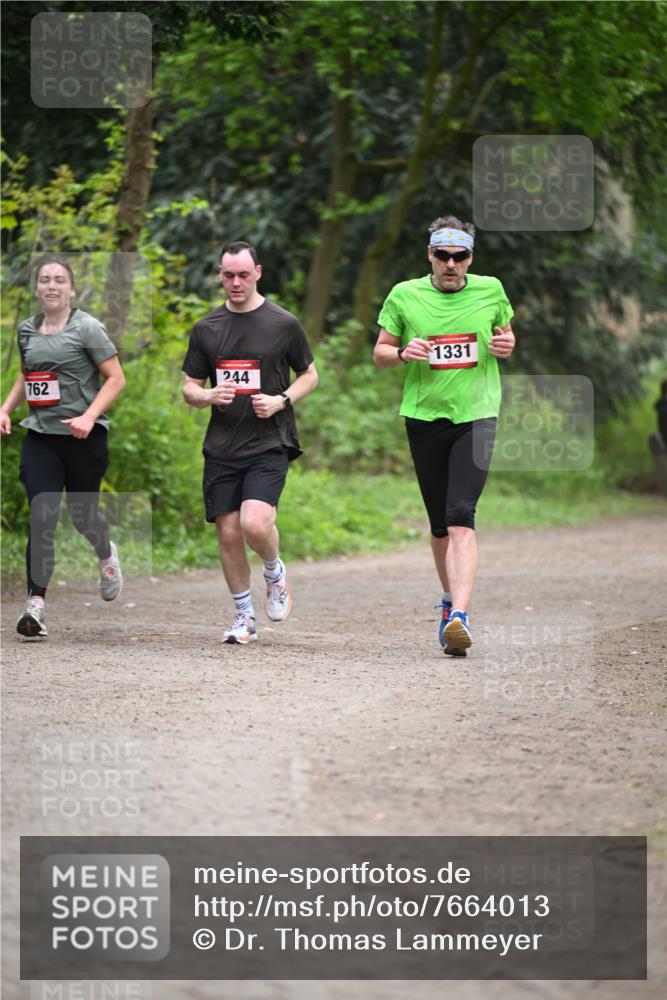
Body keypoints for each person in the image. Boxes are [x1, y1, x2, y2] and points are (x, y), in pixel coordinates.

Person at [373, 215, 515, 656]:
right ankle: (450, 601)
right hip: (424, 417)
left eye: (460, 256)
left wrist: (506, 345)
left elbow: (506, 336)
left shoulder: (491, 289)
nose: (451, 264)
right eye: (442, 255)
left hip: (476, 415)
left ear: (471, 257)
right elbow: (380, 353)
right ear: (429, 254)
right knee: (439, 527)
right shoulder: (404, 295)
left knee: (460, 516)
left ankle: (461, 617)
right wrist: (401, 352)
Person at [182, 241, 318, 644]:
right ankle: (244, 616)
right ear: (220, 275)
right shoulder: (207, 328)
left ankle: (274, 572)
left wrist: (282, 400)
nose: (236, 282)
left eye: (243, 274)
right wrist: (208, 396)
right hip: (222, 445)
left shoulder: (283, 323)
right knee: (227, 533)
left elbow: (310, 374)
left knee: (254, 522)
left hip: (269, 441)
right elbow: (189, 386)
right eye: (228, 275)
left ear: (258, 272)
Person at [0, 256, 126, 638]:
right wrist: (6, 408)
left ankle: (106, 553)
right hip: (41, 438)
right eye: (44, 280)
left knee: (84, 515)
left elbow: (116, 379)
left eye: (59, 280)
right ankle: (35, 605)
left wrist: (89, 416)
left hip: (83, 439)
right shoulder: (27, 330)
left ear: (71, 288)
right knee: (42, 516)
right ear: (36, 288)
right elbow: (27, 377)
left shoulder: (88, 328)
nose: (51, 286)